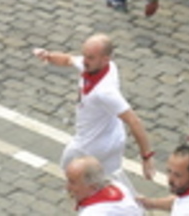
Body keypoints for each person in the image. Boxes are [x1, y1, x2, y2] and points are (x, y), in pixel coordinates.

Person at [33, 34, 156, 189]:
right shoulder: (101, 66)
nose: (84, 60)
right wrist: (48, 56)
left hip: (90, 144)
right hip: (114, 138)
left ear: (105, 59)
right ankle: (132, 207)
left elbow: (134, 121)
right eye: (85, 55)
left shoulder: (104, 92)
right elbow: (68, 60)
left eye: (90, 57)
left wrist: (147, 157)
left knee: (71, 172)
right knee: (112, 177)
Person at [65, 156, 142, 214]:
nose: (67, 187)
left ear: (93, 186)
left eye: (72, 182)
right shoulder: (119, 186)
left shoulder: (92, 213)